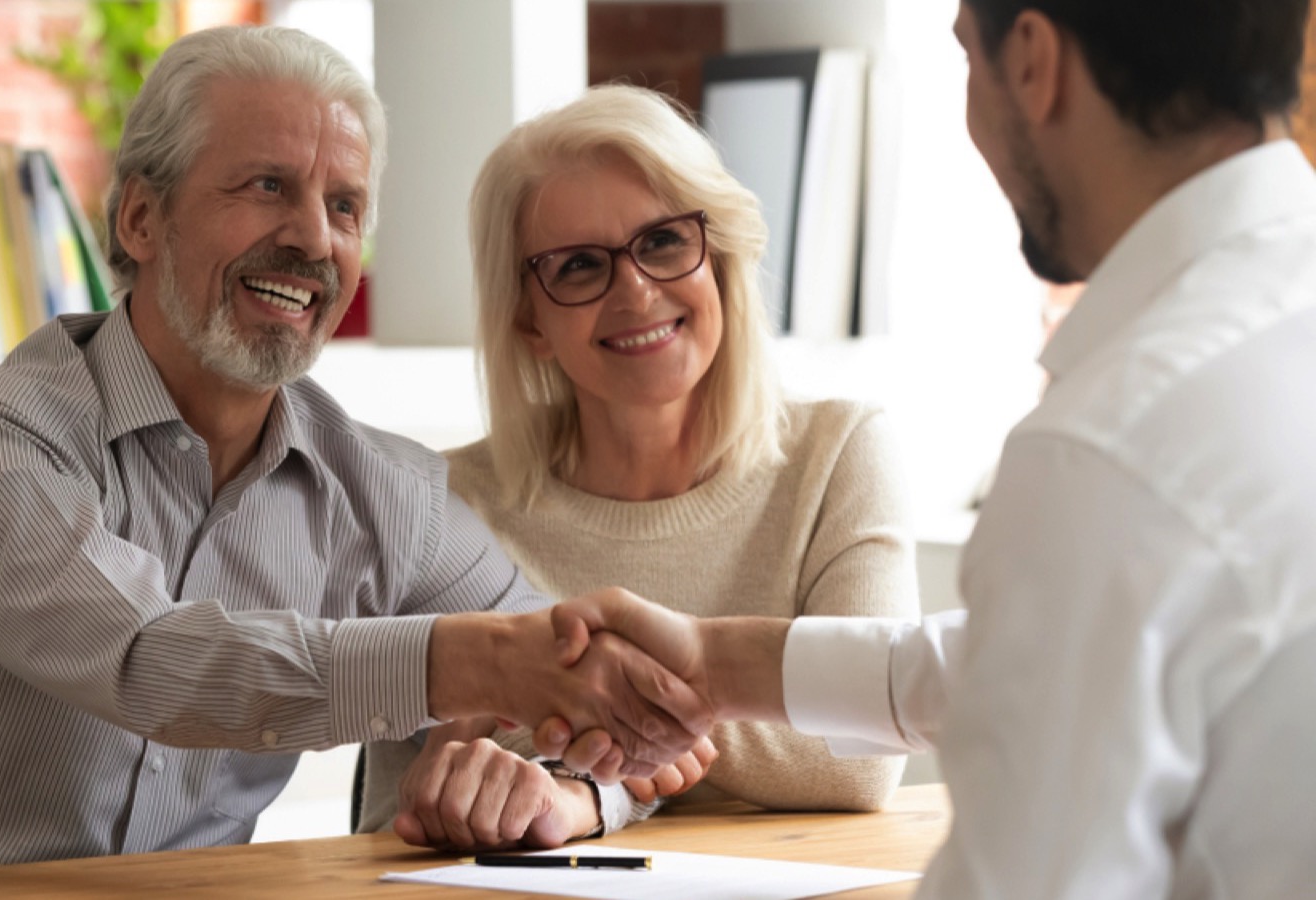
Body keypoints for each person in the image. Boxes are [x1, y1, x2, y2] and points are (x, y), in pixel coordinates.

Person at [0, 26, 713, 883]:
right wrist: (482, 663)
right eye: (266, 185)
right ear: (141, 220)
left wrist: (574, 789)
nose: (313, 238)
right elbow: (150, 659)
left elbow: (599, 701)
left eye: (344, 205)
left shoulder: (387, 495)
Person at [546, 0, 1316, 895]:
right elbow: (1051, 651)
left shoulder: (1110, 448)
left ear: (1032, 62)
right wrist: (713, 664)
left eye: (963, 59)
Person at [358, 84, 918, 850]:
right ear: (529, 319)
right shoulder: (438, 505)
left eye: (662, 242)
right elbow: (396, 813)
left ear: (718, 255)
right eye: (581, 266)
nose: (636, 292)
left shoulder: (840, 454)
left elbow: (861, 754)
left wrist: (589, 755)